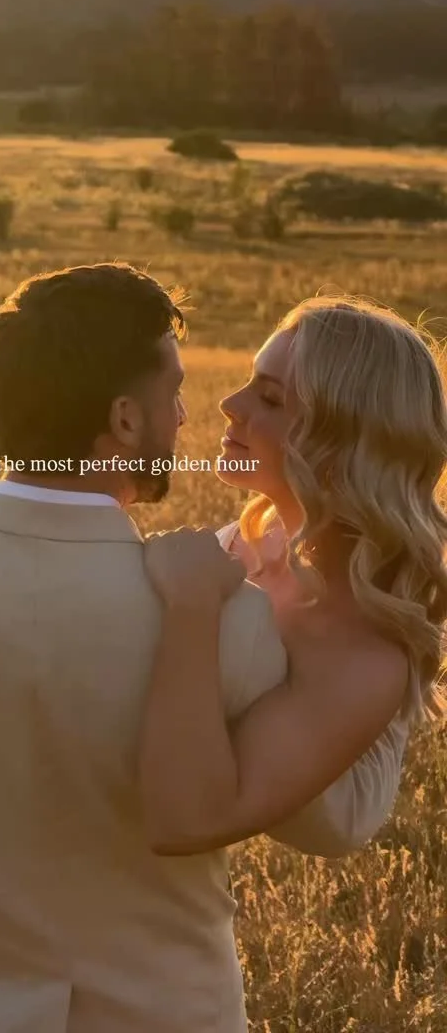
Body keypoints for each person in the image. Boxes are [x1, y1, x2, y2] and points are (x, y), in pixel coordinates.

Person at [0, 267, 415, 1033]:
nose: (194, 414)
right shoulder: (234, 621)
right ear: (126, 421)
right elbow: (322, 820)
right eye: (175, 392)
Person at [140, 296, 447, 860]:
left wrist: (193, 606)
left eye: (271, 398)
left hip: (335, 800)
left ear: (345, 441)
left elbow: (188, 823)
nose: (229, 405)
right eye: (249, 383)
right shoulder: (250, 538)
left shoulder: (364, 644)